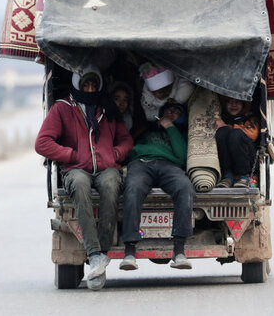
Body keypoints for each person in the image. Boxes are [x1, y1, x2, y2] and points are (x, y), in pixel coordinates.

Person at [34, 65, 133, 291]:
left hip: (106, 167)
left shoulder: (107, 108)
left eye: (94, 85)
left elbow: (126, 140)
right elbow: (42, 143)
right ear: (78, 85)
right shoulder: (63, 109)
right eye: (86, 84)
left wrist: (115, 153)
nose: (89, 89)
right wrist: (70, 154)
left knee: (110, 184)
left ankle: (101, 254)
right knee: (79, 184)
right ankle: (94, 252)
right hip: (75, 168)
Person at [119, 102, 195, 271]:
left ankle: (179, 250)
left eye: (177, 111)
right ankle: (130, 251)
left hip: (169, 166)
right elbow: (131, 149)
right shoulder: (147, 131)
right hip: (141, 163)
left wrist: (170, 127)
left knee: (185, 187)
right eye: (169, 110)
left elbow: (182, 156)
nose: (172, 113)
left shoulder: (181, 133)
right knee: (133, 189)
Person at [214, 96, 260, 188]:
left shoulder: (251, 119)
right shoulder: (224, 119)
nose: (233, 105)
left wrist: (229, 127)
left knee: (236, 134)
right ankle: (227, 176)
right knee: (222, 132)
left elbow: (253, 134)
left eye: (237, 102)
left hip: (248, 162)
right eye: (230, 102)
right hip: (229, 162)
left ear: (243, 104)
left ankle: (244, 177)